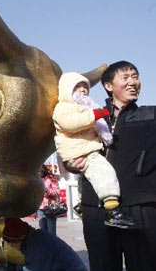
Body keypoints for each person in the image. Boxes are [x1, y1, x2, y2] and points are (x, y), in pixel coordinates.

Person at [65, 61, 156, 271]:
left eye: (136, 76)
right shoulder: (88, 117)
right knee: (102, 265)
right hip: (95, 208)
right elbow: (69, 144)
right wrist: (70, 164)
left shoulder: (150, 116)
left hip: (139, 206)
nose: (133, 82)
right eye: (125, 78)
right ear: (108, 85)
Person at [53, 72, 138, 229]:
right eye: (77, 87)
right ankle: (112, 209)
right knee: (104, 172)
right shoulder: (64, 107)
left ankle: (80, 204)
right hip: (80, 149)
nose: (83, 90)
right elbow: (70, 123)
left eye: (85, 87)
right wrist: (95, 115)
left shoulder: (87, 107)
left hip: (82, 148)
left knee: (84, 179)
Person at [0, 217, 86, 270]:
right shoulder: (34, 238)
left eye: (11, 243)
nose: (10, 246)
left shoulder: (36, 249)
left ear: (21, 238)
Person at [37, 166, 60, 234]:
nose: (38, 173)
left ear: (43, 171)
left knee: (51, 231)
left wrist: (47, 190)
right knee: (43, 231)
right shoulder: (38, 180)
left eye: (39, 172)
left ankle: (53, 244)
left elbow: (56, 193)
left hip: (50, 208)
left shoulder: (52, 179)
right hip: (40, 208)